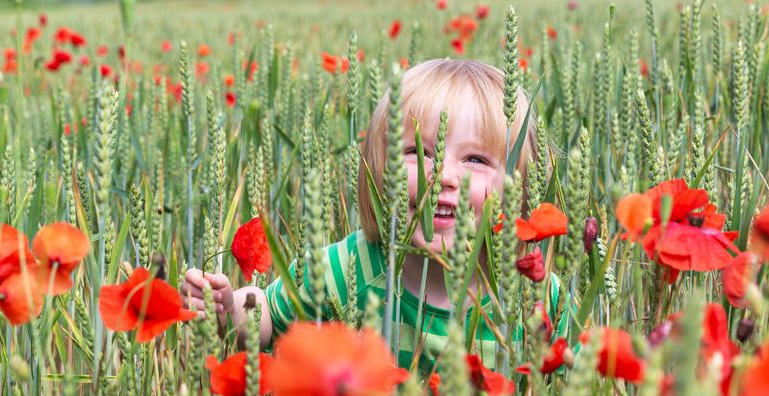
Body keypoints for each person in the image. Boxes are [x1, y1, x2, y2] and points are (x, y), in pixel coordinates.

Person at [182, 58, 556, 375]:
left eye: (476, 159)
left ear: (520, 184)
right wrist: (229, 308)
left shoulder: (535, 294)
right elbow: (268, 320)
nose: (443, 175)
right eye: (417, 152)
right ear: (379, 170)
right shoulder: (347, 269)